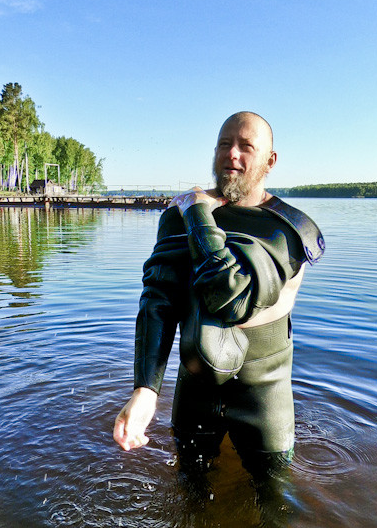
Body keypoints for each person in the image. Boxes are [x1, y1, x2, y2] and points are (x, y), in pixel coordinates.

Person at [113, 112, 324, 478]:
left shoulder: (289, 230)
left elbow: (231, 298)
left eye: (246, 146)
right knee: (188, 494)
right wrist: (146, 389)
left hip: (264, 394)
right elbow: (159, 299)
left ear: (270, 161)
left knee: (272, 502)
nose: (233, 155)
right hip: (195, 388)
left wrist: (197, 211)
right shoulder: (178, 217)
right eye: (225, 144)